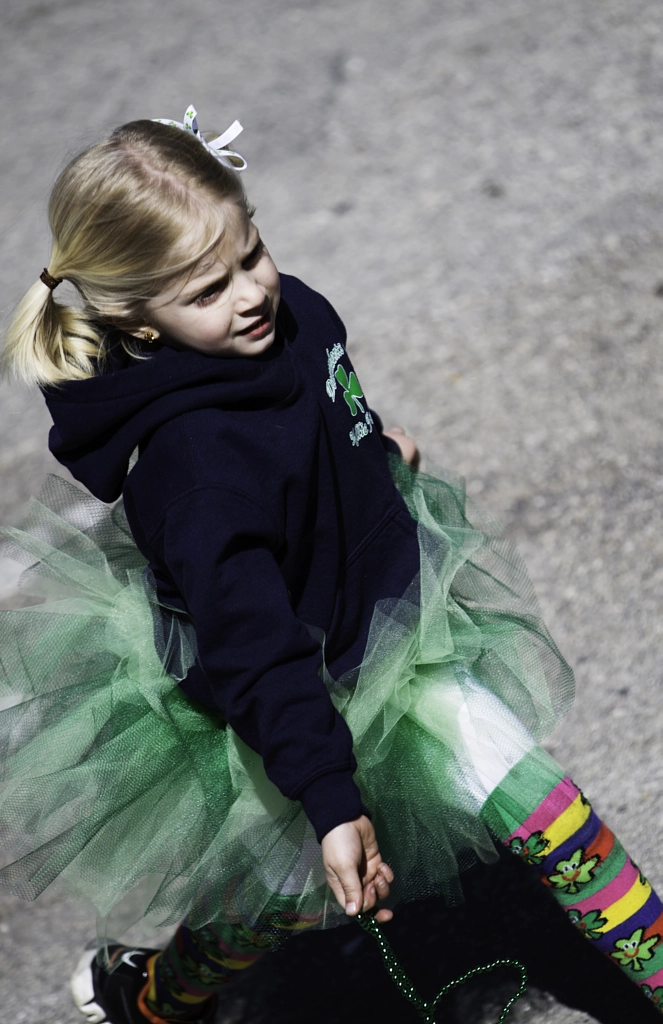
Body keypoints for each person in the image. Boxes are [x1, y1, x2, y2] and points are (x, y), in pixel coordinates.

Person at [0, 105, 661, 1024]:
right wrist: (326, 793)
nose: (249, 293)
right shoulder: (196, 472)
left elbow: (314, 422)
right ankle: (147, 995)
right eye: (205, 291)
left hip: (390, 639)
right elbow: (255, 644)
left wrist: (368, 453)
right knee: (277, 896)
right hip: (277, 699)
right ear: (135, 320)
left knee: (552, 817)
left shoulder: (291, 316)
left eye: (250, 252)